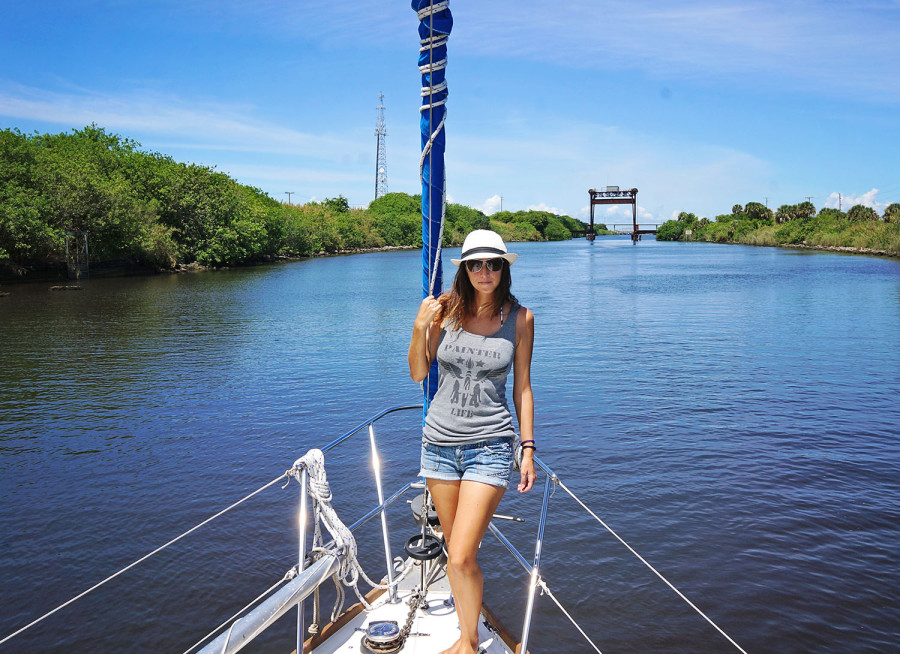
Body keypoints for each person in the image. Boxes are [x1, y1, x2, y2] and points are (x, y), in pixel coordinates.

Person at [408, 229, 536, 654]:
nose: (486, 272)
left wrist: (528, 448)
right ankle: (467, 638)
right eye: (477, 264)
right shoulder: (443, 312)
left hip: (491, 445)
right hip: (439, 445)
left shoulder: (520, 319)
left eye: (494, 264)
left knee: (462, 555)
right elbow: (418, 372)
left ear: (504, 269)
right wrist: (418, 327)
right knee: (452, 548)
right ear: (464, 269)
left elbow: (522, 388)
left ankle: (468, 642)